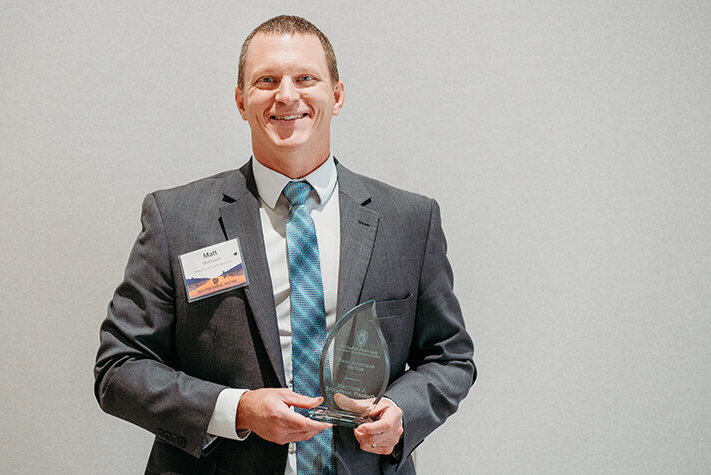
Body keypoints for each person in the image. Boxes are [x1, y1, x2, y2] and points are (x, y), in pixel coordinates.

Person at [95, 15, 476, 474]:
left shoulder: (409, 221)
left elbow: (450, 357)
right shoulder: (177, 219)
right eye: (267, 80)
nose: (287, 95)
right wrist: (238, 410)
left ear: (336, 95)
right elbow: (119, 368)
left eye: (306, 78)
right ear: (241, 100)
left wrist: (401, 411)